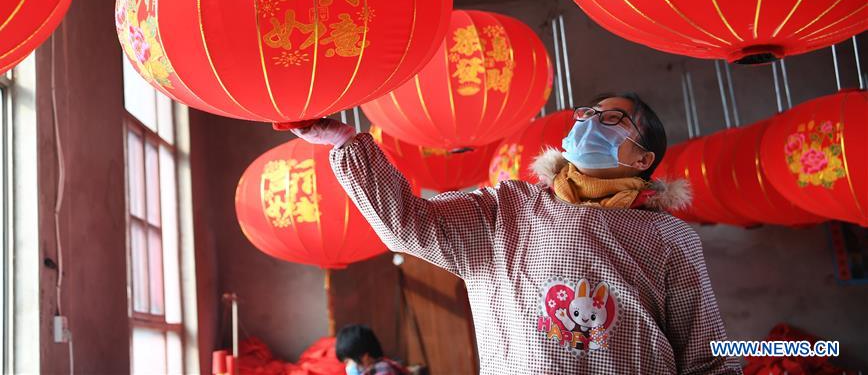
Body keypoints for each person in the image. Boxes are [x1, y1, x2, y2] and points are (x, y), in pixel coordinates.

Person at [293, 93, 739, 375]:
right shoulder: (509, 207)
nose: (588, 122)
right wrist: (344, 141)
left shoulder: (669, 237)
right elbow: (406, 224)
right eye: (587, 113)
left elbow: (708, 356)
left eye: (611, 120)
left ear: (643, 159)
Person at [335, 324, 408, 375]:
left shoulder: (384, 370)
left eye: (348, 362)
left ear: (365, 357)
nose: (348, 367)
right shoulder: (371, 370)